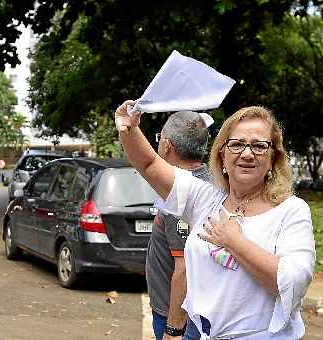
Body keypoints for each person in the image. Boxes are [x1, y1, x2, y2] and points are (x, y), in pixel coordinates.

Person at [115, 102, 315, 339]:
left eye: (259, 146)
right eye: (237, 144)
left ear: (273, 158)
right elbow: (149, 164)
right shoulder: (206, 199)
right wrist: (129, 130)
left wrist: (234, 241)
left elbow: (291, 282)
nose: (247, 153)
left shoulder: (291, 210)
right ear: (222, 154)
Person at [147, 111, 210, 340]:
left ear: (167, 145)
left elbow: (184, 268)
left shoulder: (181, 194)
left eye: (159, 138)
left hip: (177, 319)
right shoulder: (207, 180)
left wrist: (173, 330)